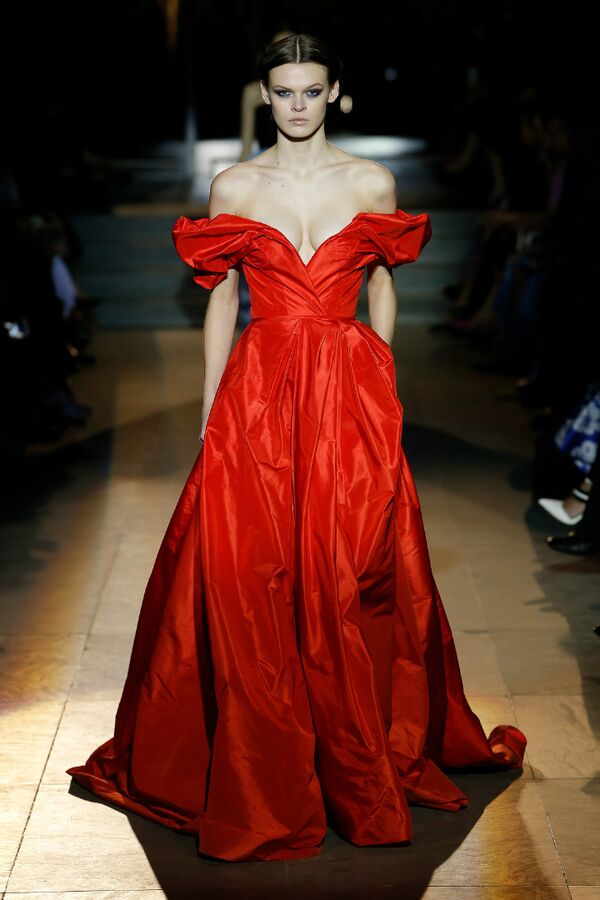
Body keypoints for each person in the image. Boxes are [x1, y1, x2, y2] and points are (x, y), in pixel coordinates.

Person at [66, 32, 526, 863]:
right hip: (261, 389)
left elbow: (382, 284)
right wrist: (211, 408)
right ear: (265, 96)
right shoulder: (236, 186)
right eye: (284, 92)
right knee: (250, 570)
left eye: (312, 91)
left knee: (349, 567)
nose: (299, 105)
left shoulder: (370, 181)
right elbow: (220, 298)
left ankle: (346, 749)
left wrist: (382, 383)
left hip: (348, 389)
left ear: (336, 93)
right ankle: (265, 757)